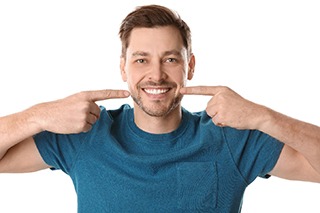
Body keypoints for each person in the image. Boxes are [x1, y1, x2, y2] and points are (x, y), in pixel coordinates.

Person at [0, 4, 320, 212]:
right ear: (123, 69)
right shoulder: (85, 135)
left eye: (170, 59)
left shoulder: (231, 139)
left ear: (189, 66)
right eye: (141, 60)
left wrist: (263, 116)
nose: (156, 75)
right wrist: (40, 114)